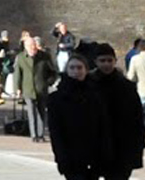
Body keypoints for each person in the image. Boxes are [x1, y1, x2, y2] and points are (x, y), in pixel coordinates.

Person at [46, 49, 109, 180]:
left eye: (79, 68)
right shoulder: (56, 98)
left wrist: (104, 154)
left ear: (86, 70)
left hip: (94, 156)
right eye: (72, 68)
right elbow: (56, 131)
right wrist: (61, 158)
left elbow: (103, 127)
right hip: (71, 157)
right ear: (67, 70)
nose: (76, 71)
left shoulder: (96, 95)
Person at [89, 44, 145, 180]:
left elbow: (137, 117)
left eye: (109, 60)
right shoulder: (88, 84)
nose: (106, 64)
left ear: (115, 61)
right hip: (94, 145)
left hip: (121, 146)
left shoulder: (126, 86)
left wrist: (138, 144)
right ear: (95, 62)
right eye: (102, 60)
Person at [17, 35, 58, 141]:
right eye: (30, 46)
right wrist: (17, 88)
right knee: (31, 112)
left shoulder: (44, 56)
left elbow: (53, 72)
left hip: (41, 88)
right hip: (28, 88)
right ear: (25, 47)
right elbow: (18, 73)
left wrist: (49, 82)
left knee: (41, 112)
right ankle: (33, 135)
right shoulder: (21, 57)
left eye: (34, 45)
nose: (32, 48)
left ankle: (41, 134)